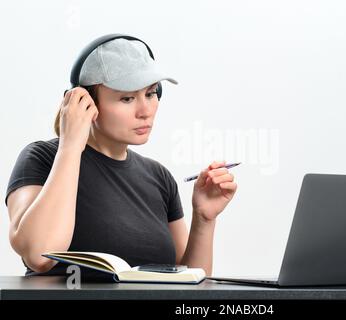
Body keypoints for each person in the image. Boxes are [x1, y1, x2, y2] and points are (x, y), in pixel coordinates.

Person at [4, 35, 237, 277]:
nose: (145, 111)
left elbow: (189, 282)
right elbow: (38, 255)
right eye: (127, 98)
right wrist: (71, 145)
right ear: (85, 102)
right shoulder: (42, 158)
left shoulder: (159, 177)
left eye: (150, 93)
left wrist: (204, 219)